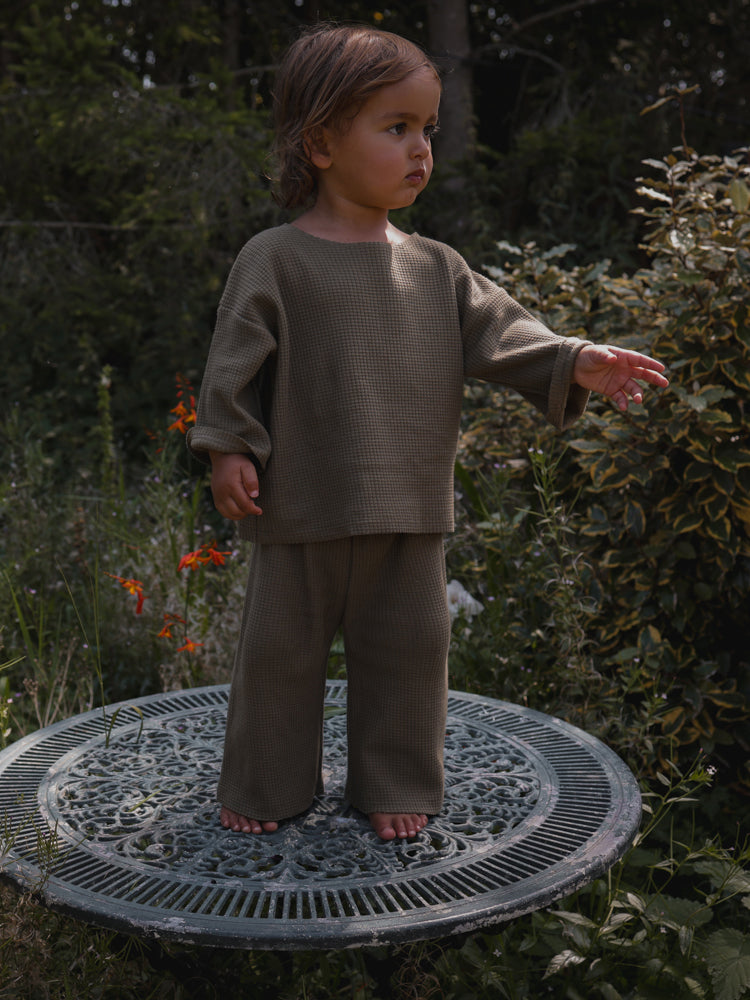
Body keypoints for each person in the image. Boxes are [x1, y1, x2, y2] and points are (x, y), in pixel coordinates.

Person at [186, 23, 668, 842]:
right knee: (278, 662)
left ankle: (397, 779)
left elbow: (506, 334)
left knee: (409, 656)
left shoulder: (436, 266)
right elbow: (233, 363)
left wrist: (576, 358)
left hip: (410, 512)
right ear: (322, 143)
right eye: (396, 127)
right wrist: (230, 446)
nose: (420, 149)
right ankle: (266, 783)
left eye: (428, 129)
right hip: (301, 509)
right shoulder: (274, 259)